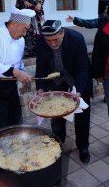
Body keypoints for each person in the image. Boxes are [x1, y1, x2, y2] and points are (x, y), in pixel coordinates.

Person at [35, 20, 92, 163]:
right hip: (56, 80)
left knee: (82, 116)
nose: (53, 44)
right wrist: (40, 87)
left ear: (63, 32)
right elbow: (40, 67)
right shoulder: (41, 41)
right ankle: (58, 145)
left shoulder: (76, 39)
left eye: (56, 40)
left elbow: (83, 68)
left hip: (75, 78)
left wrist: (78, 91)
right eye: (49, 41)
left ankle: (83, 146)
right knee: (57, 116)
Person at [0, 7, 35, 134]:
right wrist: (15, 72)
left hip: (9, 83)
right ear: (14, 23)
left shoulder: (20, 40)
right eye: (24, 29)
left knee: (14, 117)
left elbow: (18, 62)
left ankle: (14, 145)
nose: (25, 34)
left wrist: (23, 76)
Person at [66, 7, 109, 112]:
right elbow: (89, 23)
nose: (105, 13)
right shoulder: (103, 22)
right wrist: (76, 20)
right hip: (107, 70)